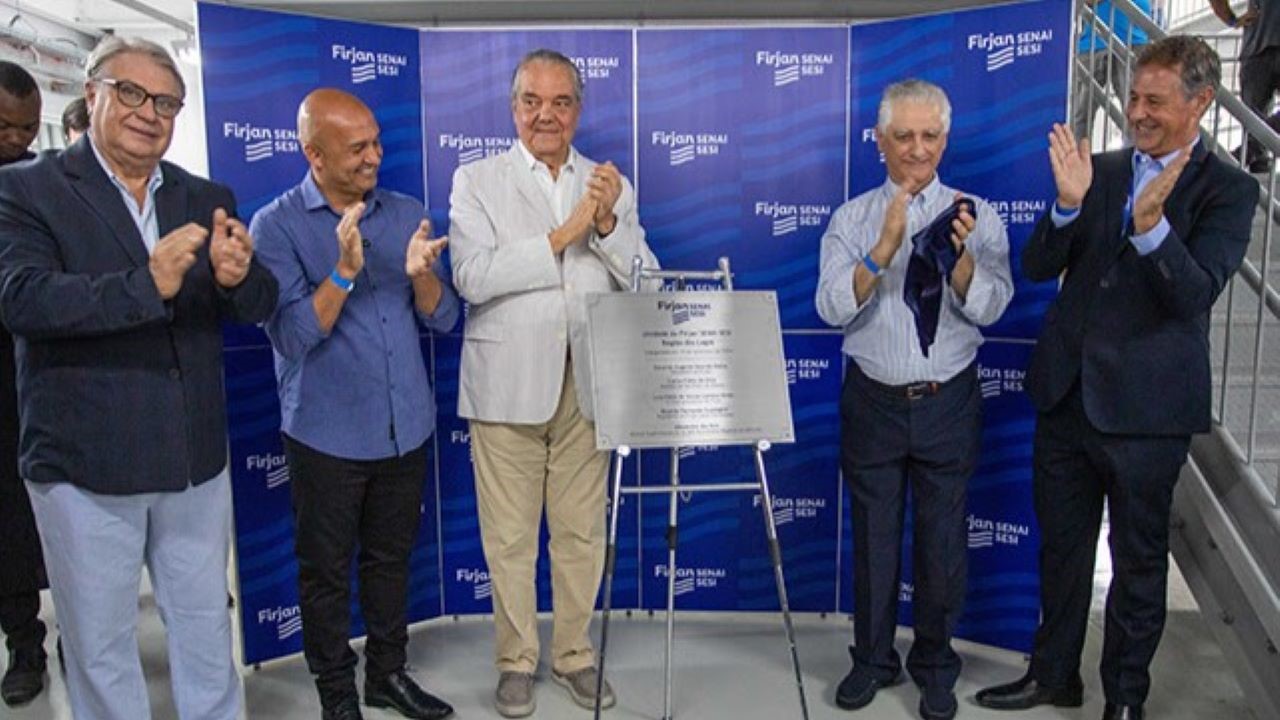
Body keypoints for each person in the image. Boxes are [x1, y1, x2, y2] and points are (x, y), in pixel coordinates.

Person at [975, 36, 1257, 720]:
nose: (1137, 112)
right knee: (1063, 555)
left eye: (1155, 101)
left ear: (1201, 103)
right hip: (1066, 398)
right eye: (1133, 97)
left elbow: (1194, 296)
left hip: (1149, 416)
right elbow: (1040, 266)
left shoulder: (1230, 188)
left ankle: (1125, 698)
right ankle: (1054, 675)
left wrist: (1153, 230)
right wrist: (1068, 207)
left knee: (1136, 567)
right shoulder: (1096, 170)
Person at [0, 36, 278, 720]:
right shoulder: (24, 189)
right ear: (91, 94)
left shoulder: (203, 194)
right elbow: (23, 299)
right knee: (101, 646)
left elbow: (259, 302)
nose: (150, 113)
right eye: (131, 93)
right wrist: (145, 284)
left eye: (167, 102)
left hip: (192, 462)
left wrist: (242, 280)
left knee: (207, 629)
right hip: (85, 469)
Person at [447, 48, 658, 718]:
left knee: (578, 535)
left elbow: (645, 278)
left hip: (588, 387)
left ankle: (573, 655)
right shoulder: (475, 180)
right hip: (505, 387)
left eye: (560, 101)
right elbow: (472, 277)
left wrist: (603, 227)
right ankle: (514, 660)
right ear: (514, 109)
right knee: (507, 538)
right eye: (532, 102)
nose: (546, 115)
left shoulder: (607, 183)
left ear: (578, 109)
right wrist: (561, 235)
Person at [252, 88, 459, 720]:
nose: (374, 157)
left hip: (406, 430)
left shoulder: (404, 214)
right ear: (312, 153)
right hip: (326, 436)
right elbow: (292, 336)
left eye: (376, 141)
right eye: (357, 148)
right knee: (325, 576)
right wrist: (342, 271)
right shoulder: (276, 226)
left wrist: (422, 274)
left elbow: (446, 319)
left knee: (391, 562)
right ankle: (337, 697)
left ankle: (386, 677)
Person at [815, 78, 1013, 720]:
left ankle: (934, 665)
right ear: (880, 141)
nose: (917, 149)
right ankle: (872, 660)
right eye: (904, 136)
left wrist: (957, 263)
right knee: (873, 541)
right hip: (872, 399)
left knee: (942, 544)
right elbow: (829, 309)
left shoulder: (976, 216)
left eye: (930, 136)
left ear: (945, 140)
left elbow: (990, 307)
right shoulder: (851, 219)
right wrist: (883, 250)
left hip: (947, 400)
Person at [0, 59, 46, 709]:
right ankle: (24, 639)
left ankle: (38, 637)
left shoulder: (42, 183)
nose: (14, 139)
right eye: (4, 126)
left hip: (32, 373)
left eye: (26, 127)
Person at [1210, 0, 1280, 172]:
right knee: (1253, 119)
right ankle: (1252, 151)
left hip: (1256, 50)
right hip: (1256, 51)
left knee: (1254, 121)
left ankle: (1248, 150)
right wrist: (1232, 20)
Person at [1072, 0, 1151, 141]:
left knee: (1137, 112)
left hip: (1131, 38)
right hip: (1094, 39)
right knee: (1079, 115)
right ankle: (1076, 160)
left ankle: (1138, 160)